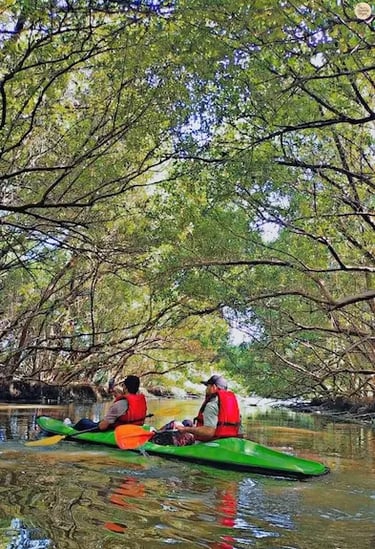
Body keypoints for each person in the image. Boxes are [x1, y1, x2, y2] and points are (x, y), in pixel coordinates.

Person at [153, 374, 242, 446]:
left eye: (208, 386)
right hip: (225, 440)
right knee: (187, 422)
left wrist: (185, 429)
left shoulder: (211, 405)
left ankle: (153, 435)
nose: (206, 389)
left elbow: (209, 432)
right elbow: (240, 432)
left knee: (174, 424)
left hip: (207, 442)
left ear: (214, 387)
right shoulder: (232, 405)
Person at [72, 375, 147, 432]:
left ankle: (71, 430)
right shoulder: (141, 401)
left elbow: (102, 427)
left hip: (120, 431)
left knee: (83, 421)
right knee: (97, 422)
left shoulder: (119, 404)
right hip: (134, 428)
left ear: (125, 387)